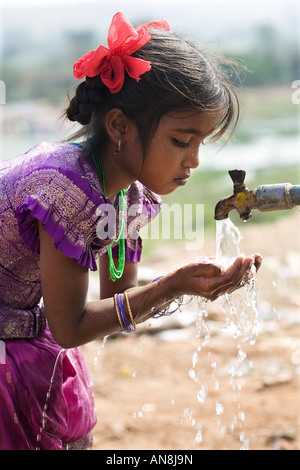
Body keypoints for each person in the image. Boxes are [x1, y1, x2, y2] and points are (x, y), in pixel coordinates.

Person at [0, 12, 262, 450]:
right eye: (182, 141)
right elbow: (70, 327)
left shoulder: (127, 196)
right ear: (119, 126)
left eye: (202, 143)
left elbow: (116, 296)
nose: (194, 161)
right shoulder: (66, 188)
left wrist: (185, 282)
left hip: (23, 326)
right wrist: (173, 285)